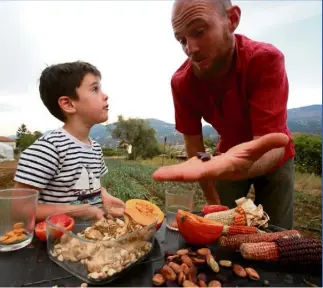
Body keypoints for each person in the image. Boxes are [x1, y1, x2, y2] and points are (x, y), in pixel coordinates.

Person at [154, 0, 295, 229]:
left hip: (276, 157)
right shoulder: (182, 83)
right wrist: (211, 198)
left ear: (232, 20)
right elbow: (194, 145)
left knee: (277, 233)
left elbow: (273, 142)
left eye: (199, 32)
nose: (191, 49)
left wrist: (237, 165)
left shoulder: (264, 58)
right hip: (226, 155)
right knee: (222, 228)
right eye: (182, 40)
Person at [13, 61, 125, 222]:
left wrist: (104, 196)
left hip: (89, 240)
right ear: (68, 104)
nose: (105, 95)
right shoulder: (48, 148)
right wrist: (77, 210)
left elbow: (93, 185)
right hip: (54, 243)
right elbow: (20, 209)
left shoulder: (95, 148)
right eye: (95, 89)